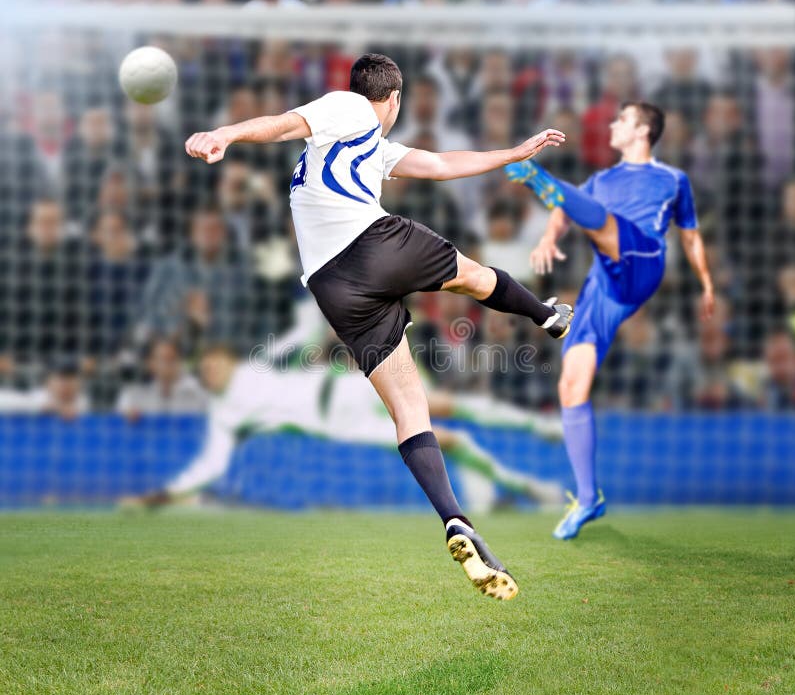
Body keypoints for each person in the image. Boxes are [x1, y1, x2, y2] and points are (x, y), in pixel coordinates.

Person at [185, 53, 573, 600]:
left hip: (333, 289)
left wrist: (514, 151)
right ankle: (548, 316)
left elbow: (440, 164)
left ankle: (455, 519)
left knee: (410, 410)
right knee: (473, 275)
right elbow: (286, 122)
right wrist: (225, 134)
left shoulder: (360, 149)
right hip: (370, 245)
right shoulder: (350, 108)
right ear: (393, 100)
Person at [506, 100, 714, 539]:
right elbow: (567, 210)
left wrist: (707, 283)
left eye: (622, 119)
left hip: (643, 259)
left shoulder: (672, 180)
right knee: (571, 384)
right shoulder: (601, 179)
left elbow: (691, 237)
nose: (613, 124)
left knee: (606, 226)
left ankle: (539, 178)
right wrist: (548, 235)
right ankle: (587, 499)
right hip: (603, 284)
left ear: (642, 131)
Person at [121, 345, 565, 511]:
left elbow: (303, 337)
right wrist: (163, 496)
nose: (213, 369)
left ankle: (538, 424)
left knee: (451, 405)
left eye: (214, 360)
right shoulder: (226, 414)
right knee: (448, 439)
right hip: (340, 423)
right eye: (206, 370)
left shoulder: (261, 361)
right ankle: (527, 486)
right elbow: (211, 466)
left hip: (349, 388)